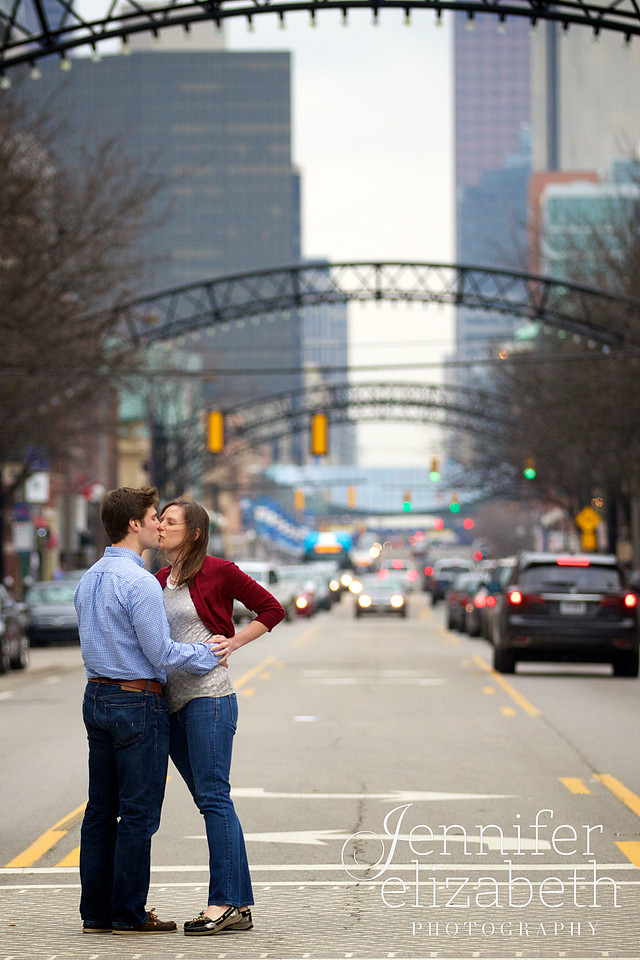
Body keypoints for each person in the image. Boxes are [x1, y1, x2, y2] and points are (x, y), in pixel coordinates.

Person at [74, 486, 224, 936]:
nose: (160, 523)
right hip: (137, 702)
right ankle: (129, 914)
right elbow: (159, 652)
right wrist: (208, 655)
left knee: (100, 810)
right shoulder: (139, 582)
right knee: (138, 813)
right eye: (155, 516)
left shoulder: (89, 578)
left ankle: (95, 913)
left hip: (96, 697)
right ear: (134, 524)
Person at [155, 497, 285, 936]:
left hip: (209, 699)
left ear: (193, 532)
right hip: (172, 705)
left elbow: (272, 609)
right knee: (212, 802)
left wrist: (233, 643)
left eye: (170, 522)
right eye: (160, 520)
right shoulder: (156, 580)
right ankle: (239, 905)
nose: (161, 527)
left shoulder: (219, 570)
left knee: (214, 798)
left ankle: (223, 903)